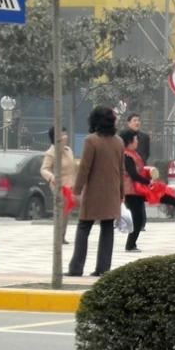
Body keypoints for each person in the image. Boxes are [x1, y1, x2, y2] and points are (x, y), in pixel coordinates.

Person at [66, 107, 124, 277]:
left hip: (93, 192)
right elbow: (121, 169)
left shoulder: (91, 140)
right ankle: (103, 269)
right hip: (112, 191)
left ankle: (76, 267)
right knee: (107, 229)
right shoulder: (119, 141)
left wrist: (76, 190)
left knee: (84, 227)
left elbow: (84, 168)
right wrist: (121, 192)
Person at [120, 129, 175, 252]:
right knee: (138, 217)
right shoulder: (127, 155)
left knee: (160, 196)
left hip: (138, 187)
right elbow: (133, 174)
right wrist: (148, 182)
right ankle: (130, 245)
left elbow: (139, 171)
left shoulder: (132, 153)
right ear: (130, 141)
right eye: (135, 139)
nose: (137, 141)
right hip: (132, 189)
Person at [40, 126, 78, 245]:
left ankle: (62, 235)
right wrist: (51, 177)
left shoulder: (68, 150)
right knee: (62, 210)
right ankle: (58, 235)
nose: (65, 137)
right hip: (59, 186)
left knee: (67, 211)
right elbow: (44, 169)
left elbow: (74, 167)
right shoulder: (50, 153)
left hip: (71, 184)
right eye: (62, 134)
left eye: (65, 134)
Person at [126, 113, 150, 231]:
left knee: (140, 195)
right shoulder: (123, 136)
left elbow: (147, 153)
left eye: (138, 120)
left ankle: (141, 222)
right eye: (135, 120)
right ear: (128, 122)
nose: (137, 122)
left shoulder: (144, 137)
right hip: (127, 173)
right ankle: (127, 222)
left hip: (140, 171)